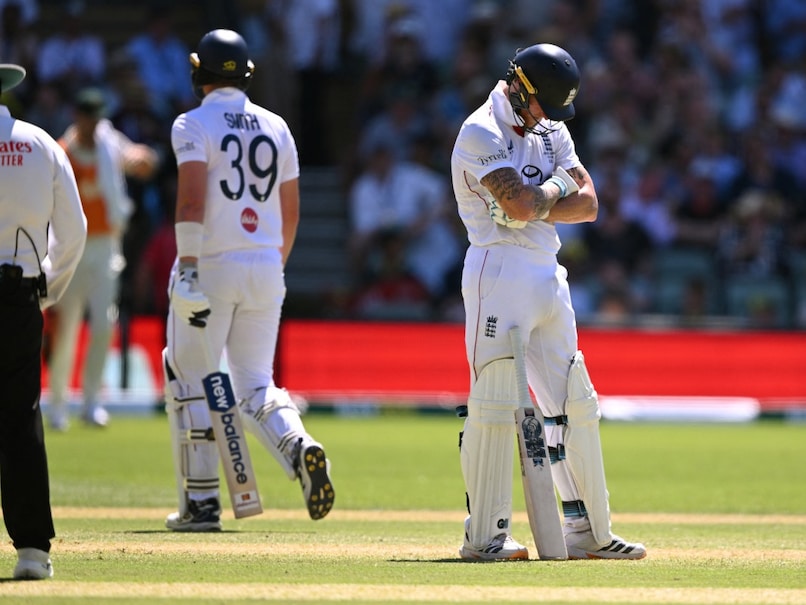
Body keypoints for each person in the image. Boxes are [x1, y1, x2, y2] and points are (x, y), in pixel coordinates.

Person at [450, 43, 646, 561]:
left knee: (574, 402)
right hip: (497, 269)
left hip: (546, 272)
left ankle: (588, 532)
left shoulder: (552, 126)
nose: (548, 120)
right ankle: (485, 538)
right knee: (492, 403)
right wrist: (549, 194)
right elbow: (516, 204)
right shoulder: (480, 132)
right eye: (543, 106)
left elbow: (588, 204)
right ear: (518, 86)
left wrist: (548, 191)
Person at [163, 29, 334, 531]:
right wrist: (270, 266)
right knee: (256, 384)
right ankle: (298, 443)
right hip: (265, 265)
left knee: (190, 377)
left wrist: (190, 269)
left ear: (201, 72)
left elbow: (192, 201)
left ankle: (201, 504)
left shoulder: (192, 123)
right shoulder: (277, 127)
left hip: (211, 263)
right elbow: (292, 212)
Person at [0, 62, 87, 579]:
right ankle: (32, 550)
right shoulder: (40, 143)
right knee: (20, 414)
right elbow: (73, 231)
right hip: (18, 292)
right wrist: (45, 289)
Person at [46, 88, 158, 431]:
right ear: (77, 117)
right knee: (65, 328)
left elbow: (141, 159)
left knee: (102, 326)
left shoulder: (110, 144)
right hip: (70, 249)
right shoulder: (61, 151)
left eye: (97, 118)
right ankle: (59, 404)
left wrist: (145, 158)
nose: (93, 125)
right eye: (88, 117)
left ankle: (93, 401)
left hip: (105, 246)